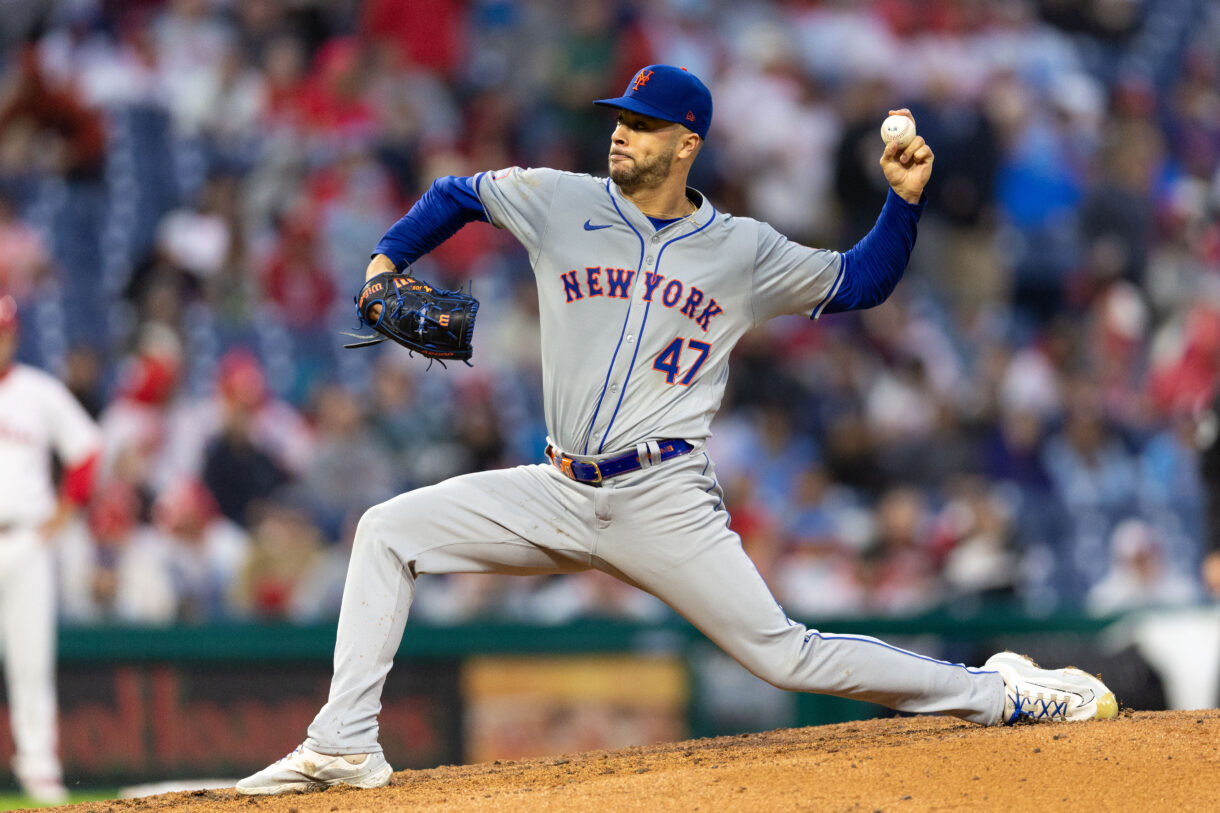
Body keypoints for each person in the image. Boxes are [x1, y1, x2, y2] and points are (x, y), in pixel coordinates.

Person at [237, 65, 1117, 795]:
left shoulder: (741, 249)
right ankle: (345, 741)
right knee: (387, 531)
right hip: (555, 486)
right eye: (620, 118)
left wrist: (904, 205)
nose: (622, 133)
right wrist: (387, 261)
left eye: (645, 125)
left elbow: (860, 281)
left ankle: (1001, 693)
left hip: (663, 495)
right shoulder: (559, 200)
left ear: (687, 143)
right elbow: (453, 194)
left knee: (784, 653)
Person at [0, 294, 102, 804]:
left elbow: (86, 451)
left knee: (31, 661)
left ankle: (38, 769)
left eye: (5, 330)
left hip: (24, 539)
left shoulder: (38, 392)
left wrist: (62, 515)